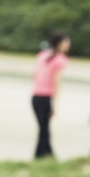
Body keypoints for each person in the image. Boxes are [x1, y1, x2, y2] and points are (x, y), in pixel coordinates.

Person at [31, 31, 70, 159]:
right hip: (45, 97)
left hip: (35, 96)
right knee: (44, 130)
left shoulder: (42, 55)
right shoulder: (61, 59)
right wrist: (54, 103)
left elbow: (34, 75)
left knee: (44, 129)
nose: (68, 44)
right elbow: (56, 82)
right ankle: (38, 156)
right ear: (59, 44)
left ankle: (49, 156)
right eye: (66, 41)